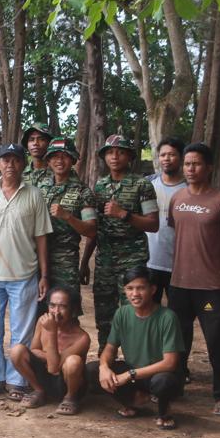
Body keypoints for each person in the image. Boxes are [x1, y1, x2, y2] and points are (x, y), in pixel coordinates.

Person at [0, 142, 52, 400]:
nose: (10, 164)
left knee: (22, 332)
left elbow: (41, 238)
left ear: (22, 164)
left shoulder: (34, 195)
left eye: (15, 160)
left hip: (24, 275)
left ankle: (17, 381)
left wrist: (44, 275)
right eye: (5, 160)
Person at [166, 143, 220, 415]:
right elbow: (176, 230)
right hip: (179, 284)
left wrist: (214, 264)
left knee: (216, 340)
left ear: (209, 168)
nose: (190, 169)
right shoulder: (178, 198)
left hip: (208, 287)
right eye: (187, 164)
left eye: (196, 164)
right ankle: (174, 387)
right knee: (177, 340)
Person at [80, 135, 159, 350]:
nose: (115, 156)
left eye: (120, 152)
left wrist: (124, 214)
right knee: (104, 314)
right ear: (104, 156)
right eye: (110, 152)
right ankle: (107, 362)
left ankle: (138, 363)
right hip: (105, 260)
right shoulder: (100, 187)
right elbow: (94, 229)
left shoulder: (142, 185)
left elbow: (153, 224)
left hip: (132, 260)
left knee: (136, 312)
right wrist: (85, 261)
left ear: (129, 157)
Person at [94, 266, 183, 430]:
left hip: (156, 374)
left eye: (140, 288)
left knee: (164, 382)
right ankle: (133, 402)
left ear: (153, 289)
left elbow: (170, 363)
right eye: (129, 288)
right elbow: (110, 348)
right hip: (133, 372)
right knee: (92, 371)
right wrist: (104, 366)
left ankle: (164, 412)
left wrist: (129, 374)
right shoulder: (122, 313)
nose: (134, 294)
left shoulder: (167, 317)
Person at [9, 286, 91, 414]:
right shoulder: (42, 323)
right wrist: (54, 357)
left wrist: (52, 332)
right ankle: (39, 390)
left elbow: (53, 368)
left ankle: (70, 397)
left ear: (73, 310)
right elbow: (34, 350)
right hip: (45, 379)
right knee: (16, 351)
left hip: (66, 384)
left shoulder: (82, 338)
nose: (56, 312)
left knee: (73, 361)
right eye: (52, 306)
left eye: (63, 307)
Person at [39, 138, 97, 306]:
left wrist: (68, 217)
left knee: (66, 311)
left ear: (72, 159)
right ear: (48, 160)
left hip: (64, 261)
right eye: (55, 156)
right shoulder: (39, 187)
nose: (59, 160)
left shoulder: (83, 192)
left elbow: (91, 230)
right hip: (36, 259)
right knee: (39, 311)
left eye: (64, 156)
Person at [146, 137, 186, 303]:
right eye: (163, 155)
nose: (166, 159)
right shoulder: (147, 184)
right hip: (149, 263)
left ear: (182, 157)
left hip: (178, 267)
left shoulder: (190, 188)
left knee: (178, 318)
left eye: (172, 155)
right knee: (148, 315)